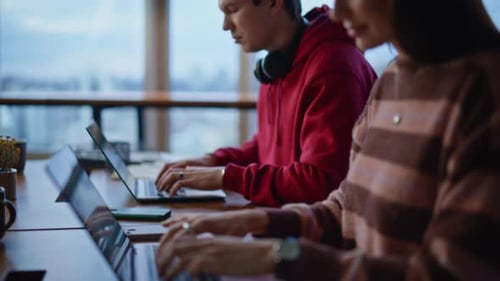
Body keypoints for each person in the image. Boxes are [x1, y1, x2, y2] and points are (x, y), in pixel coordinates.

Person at [155, 0, 500, 280]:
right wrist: (248, 222)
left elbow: (446, 274)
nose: (338, 12)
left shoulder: (484, 95)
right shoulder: (395, 79)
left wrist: (278, 256)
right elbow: (343, 210)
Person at [155, 0, 377, 207]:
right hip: (281, 220)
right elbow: (266, 148)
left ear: (273, 3)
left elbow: (321, 183)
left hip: (312, 238)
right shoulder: (276, 68)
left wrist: (225, 177)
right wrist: (212, 161)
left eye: (232, 10)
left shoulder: (332, 69)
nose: (225, 26)